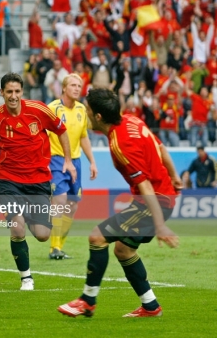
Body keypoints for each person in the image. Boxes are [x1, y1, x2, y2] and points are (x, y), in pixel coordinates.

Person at [58, 88, 180, 319]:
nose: (85, 113)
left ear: (99, 117)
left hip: (154, 202)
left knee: (97, 236)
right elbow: (160, 147)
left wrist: (160, 225)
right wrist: (174, 175)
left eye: (88, 110)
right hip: (161, 196)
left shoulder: (120, 145)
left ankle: (87, 301)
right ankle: (151, 306)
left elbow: (144, 186)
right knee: (124, 250)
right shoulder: (133, 121)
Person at [0, 72, 76, 291]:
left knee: (43, 236)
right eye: (9, 92)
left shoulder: (39, 110)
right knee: (17, 228)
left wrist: (68, 160)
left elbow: (61, 131)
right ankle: (26, 278)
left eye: (16, 91)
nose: (13, 96)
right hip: (9, 181)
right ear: (2, 93)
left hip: (38, 181)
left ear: (22, 92)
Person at [48, 74, 98, 260]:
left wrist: (92, 160)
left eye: (79, 85)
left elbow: (84, 136)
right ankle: (54, 248)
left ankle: (59, 246)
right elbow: (42, 137)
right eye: (73, 85)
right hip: (56, 159)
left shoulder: (81, 109)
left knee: (72, 205)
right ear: (63, 88)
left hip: (76, 161)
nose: (77, 88)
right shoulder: (53, 108)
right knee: (59, 201)